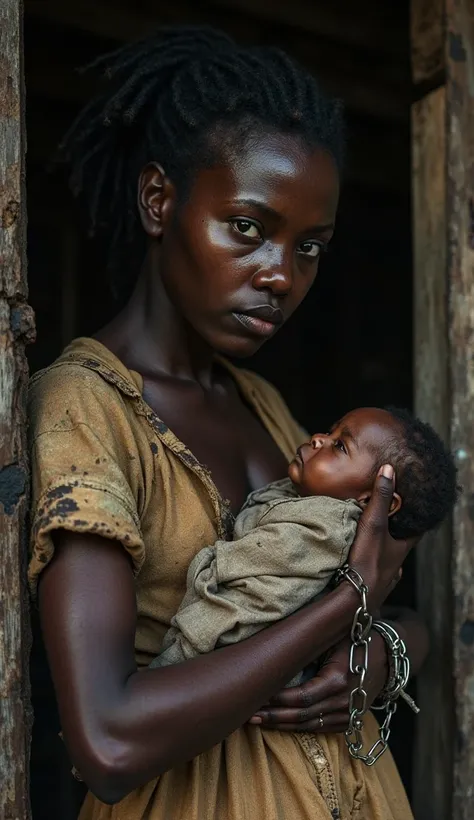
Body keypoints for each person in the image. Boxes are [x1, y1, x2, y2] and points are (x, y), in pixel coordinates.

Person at [28, 25, 429, 820]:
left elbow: (400, 615)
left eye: (310, 246)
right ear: (159, 200)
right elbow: (107, 742)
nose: (281, 275)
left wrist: (379, 654)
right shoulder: (86, 410)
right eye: (248, 227)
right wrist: (344, 610)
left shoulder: (266, 409)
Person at [149, 407, 457, 685]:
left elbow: (243, 605)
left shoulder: (322, 532)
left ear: (372, 498)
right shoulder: (302, 499)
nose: (319, 439)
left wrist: (169, 669)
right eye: (330, 430)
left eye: (340, 445)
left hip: (208, 666)